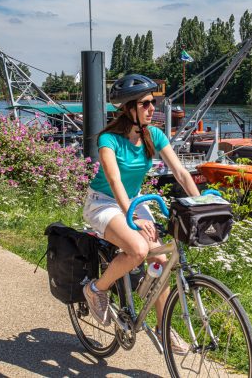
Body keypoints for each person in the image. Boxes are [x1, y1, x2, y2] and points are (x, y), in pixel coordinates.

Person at [82, 73, 200, 352]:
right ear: (129, 108)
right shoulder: (109, 139)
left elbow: (181, 172)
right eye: (146, 103)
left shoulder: (154, 135)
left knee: (161, 256)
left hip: (133, 201)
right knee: (137, 249)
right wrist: (132, 217)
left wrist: (200, 202)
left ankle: (162, 328)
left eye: (154, 102)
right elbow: (114, 181)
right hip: (104, 203)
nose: (152, 108)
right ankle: (96, 289)